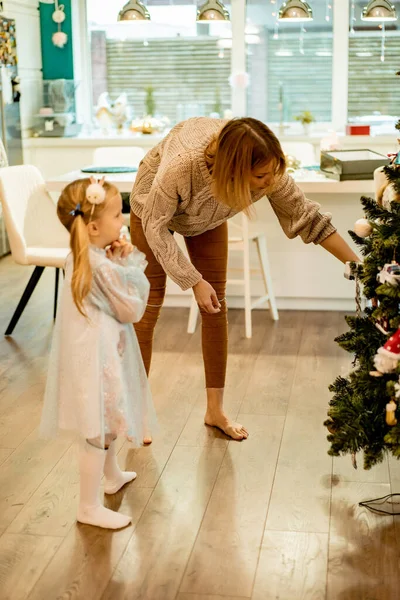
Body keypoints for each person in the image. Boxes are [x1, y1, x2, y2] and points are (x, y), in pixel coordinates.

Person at [130, 116, 359, 442]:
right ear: (233, 171)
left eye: (272, 173)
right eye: (261, 177)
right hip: (151, 209)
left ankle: (215, 411)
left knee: (215, 306)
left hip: (205, 219)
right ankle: (136, 410)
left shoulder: (269, 172)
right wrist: (193, 280)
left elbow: (308, 218)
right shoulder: (182, 167)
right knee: (149, 303)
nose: (269, 183)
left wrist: (358, 265)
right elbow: (155, 227)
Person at [40, 177, 157, 530]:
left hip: (95, 355)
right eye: (118, 216)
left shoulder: (82, 256)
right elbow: (132, 309)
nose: (122, 222)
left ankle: (112, 475)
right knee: (99, 427)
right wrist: (128, 264)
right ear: (93, 227)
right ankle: (87, 506)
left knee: (107, 418)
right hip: (98, 360)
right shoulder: (101, 266)